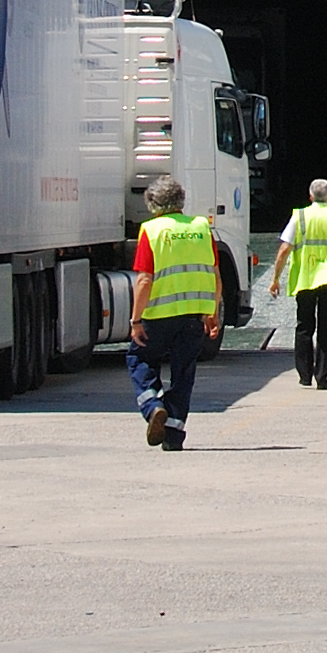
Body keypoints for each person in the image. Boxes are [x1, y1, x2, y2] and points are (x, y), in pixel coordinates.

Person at [124, 176, 220, 451]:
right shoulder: (202, 228)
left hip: (159, 314)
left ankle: (153, 406)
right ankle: (173, 433)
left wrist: (136, 320)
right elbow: (215, 273)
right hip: (194, 314)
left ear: (154, 204)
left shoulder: (151, 230)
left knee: (139, 357)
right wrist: (212, 311)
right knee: (184, 371)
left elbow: (144, 279)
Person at [269, 178, 327, 390]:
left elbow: (284, 250)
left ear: (310, 196)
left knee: (304, 326)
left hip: (306, 278)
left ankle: (304, 374)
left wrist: (275, 279)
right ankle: (323, 375)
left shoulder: (299, 217)